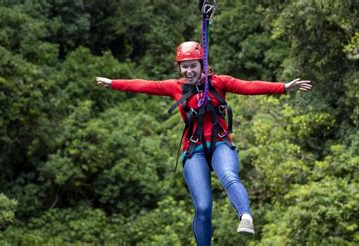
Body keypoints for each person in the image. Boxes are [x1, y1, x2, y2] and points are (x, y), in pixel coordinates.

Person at [96, 41, 312, 245]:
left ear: (202, 65)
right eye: (184, 67)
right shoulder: (175, 87)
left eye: (193, 66)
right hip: (194, 149)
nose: (188, 71)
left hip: (220, 143)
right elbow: (144, 85)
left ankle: (245, 216)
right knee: (203, 207)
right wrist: (113, 83)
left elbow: (248, 86)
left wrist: (283, 87)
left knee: (228, 176)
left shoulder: (218, 82)